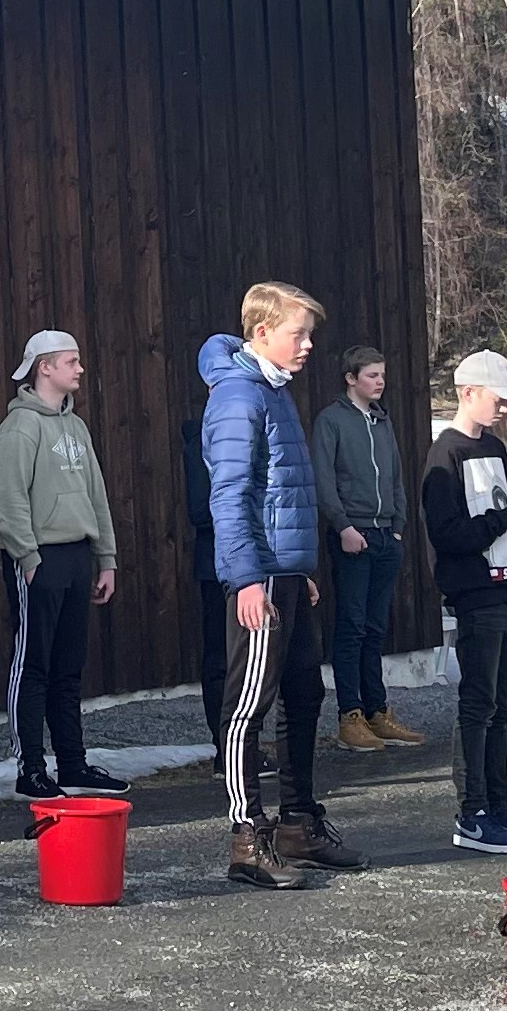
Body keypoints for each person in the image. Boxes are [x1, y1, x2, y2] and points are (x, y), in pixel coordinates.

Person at [204, 280, 345, 888]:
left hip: (284, 573)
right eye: (299, 333)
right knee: (248, 707)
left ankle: (297, 823)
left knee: (306, 696)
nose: (308, 344)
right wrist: (248, 580)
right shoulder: (239, 397)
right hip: (257, 578)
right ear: (262, 332)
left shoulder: (274, 392)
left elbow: (282, 493)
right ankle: (247, 837)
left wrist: (298, 570)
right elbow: (231, 497)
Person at [424, 349, 507, 854]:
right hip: (476, 593)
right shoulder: (447, 454)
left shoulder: (498, 451)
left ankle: (501, 805)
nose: (505, 409)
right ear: (469, 394)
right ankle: (472, 812)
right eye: (498, 399)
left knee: (502, 707)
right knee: (477, 705)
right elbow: (448, 534)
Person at [0, 331, 125, 799]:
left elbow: (97, 497)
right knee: (34, 663)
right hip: (39, 558)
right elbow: (6, 500)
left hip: (77, 555)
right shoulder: (20, 428)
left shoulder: (77, 427)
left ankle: (72, 763)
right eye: (72, 361)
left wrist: (105, 558)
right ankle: (29, 767)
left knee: (69, 665)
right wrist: (27, 556)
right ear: (44, 367)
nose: (80, 369)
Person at [314, 344, 417, 752]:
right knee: (352, 626)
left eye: (382, 375)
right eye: (371, 375)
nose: (379, 382)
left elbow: (394, 476)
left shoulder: (381, 421)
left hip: (384, 536)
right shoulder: (331, 421)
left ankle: (378, 712)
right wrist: (343, 526)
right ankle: (350, 715)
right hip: (352, 536)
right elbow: (324, 480)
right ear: (351, 378)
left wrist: (397, 529)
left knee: (375, 628)